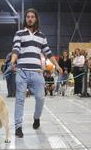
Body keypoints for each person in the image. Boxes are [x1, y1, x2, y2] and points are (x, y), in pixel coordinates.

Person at [10, 8, 62, 138]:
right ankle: (18, 127)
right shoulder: (19, 33)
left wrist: (57, 65)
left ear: (36, 19)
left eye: (32, 16)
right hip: (22, 71)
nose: (30, 18)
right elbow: (16, 48)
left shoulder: (41, 36)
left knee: (40, 97)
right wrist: (12, 61)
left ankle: (36, 117)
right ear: (25, 19)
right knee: (20, 100)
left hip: (37, 73)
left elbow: (48, 52)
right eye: (28, 16)